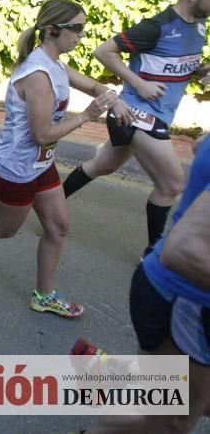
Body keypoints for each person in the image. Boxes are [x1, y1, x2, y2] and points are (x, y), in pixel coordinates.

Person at [0, 0, 123, 317]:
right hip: (15, 167)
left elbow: (92, 84)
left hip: (40, 163)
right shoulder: (38, 74)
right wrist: (87, 115)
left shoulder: (55, 63)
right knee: (4, 229)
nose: (82, 36)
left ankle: (44, 295)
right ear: (53, 30)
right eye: (77, 29)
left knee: (58, 227)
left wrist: (112, 98)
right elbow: (42, 134)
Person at [62, 0, 210, 258]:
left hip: (159, 113)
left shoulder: (198, 26)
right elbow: (103, 51)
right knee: (172, 184)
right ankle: (153, 252)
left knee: (102, 166)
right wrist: (138, 83)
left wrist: (202, 70)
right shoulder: (157, 27)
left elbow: (176, 62)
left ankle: (48, 203)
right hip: (134, 112)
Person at [82, 135, 210, 434]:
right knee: (172, 420)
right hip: (183, 298)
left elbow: (199, 144)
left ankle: (121, 377)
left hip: (172, 291)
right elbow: (184, 251)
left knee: (192, 400)